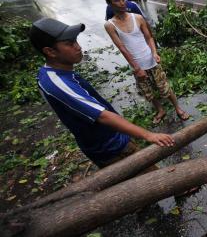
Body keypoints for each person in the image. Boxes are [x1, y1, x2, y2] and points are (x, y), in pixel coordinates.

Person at [30, 18, 175, 168]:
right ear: (50, 51)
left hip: (111, 138)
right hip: (111, 148)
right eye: (69, 44)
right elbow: (102, 116)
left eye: (75, 41)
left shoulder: (52, 73)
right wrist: (149, 135)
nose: (78, 47)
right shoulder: (58, 83)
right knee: (152, 179)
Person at [103, 0, 190, 124]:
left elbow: (149, 37)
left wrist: (154, 53)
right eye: (117, 0)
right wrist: (137, 69)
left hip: (151, 61)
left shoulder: (137, 18)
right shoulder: (110, 25)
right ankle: (160, 110)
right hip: (137, 66)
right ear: (109, 3)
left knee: (165, 88)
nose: (122, 3)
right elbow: (122, 48)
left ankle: (178, 108)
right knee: (148, 93)